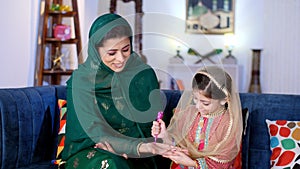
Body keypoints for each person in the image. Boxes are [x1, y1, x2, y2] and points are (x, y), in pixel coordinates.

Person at [62, 13, 171, 169]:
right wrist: (127, 148)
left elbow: (155, 123)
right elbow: (94, 132)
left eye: (126, 50)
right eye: (112, 53)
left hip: (143, 151)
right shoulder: (81, 82)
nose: (120, 59)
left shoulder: (144, 75)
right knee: (111, 164)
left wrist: (146, 146)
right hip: (94, 149)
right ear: (95, 50)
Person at [152, 66, 243, 169]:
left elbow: (223, 162)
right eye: (195, 99)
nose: (198, 106)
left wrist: (192, 163)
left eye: (205, 103)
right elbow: (175, 145)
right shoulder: (189, 113)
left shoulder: (229, 123)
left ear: (224, 99)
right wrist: (164, 135)